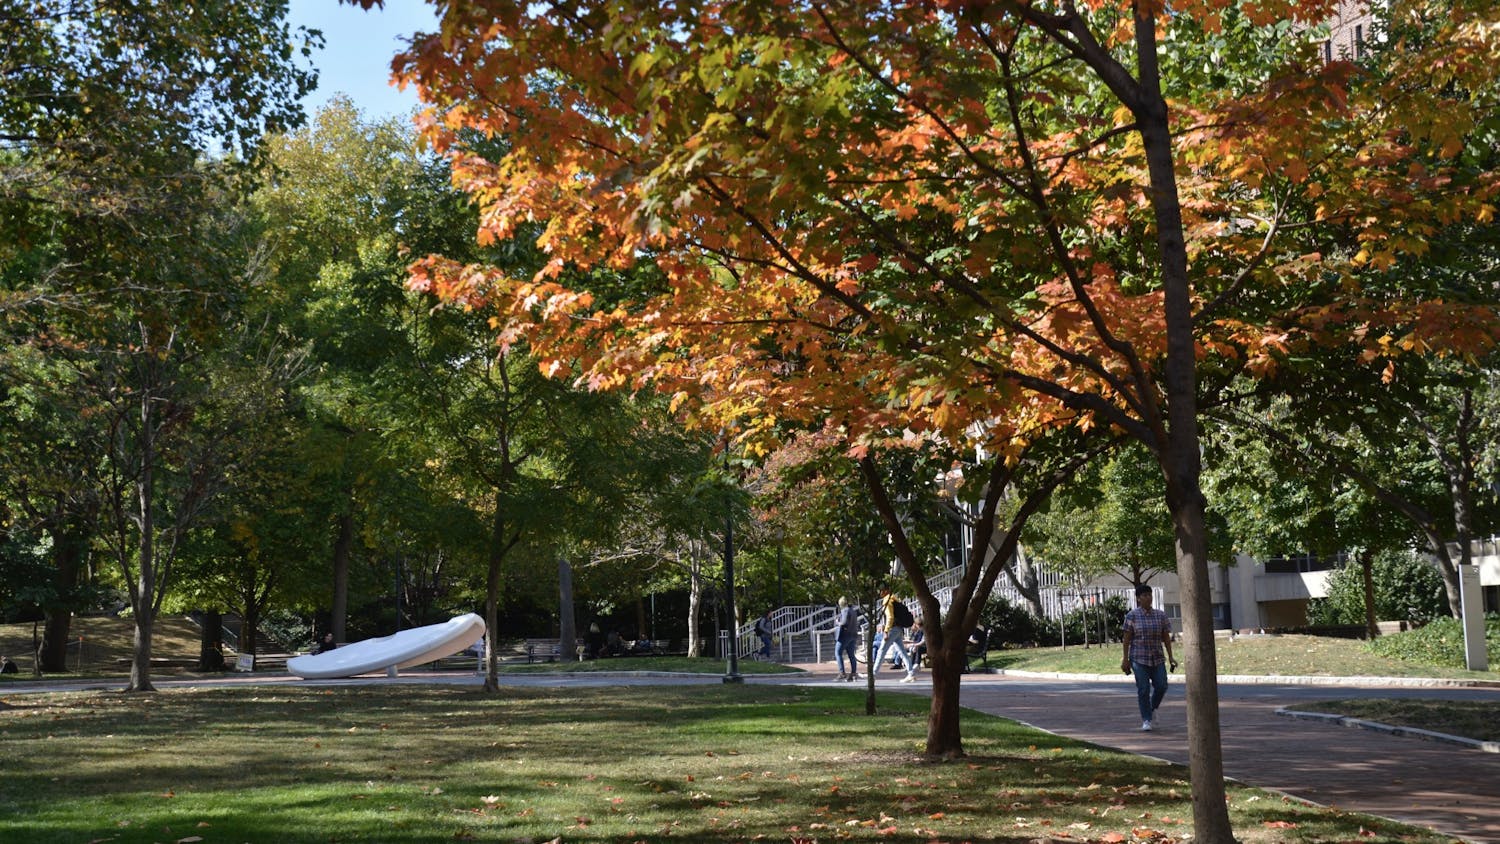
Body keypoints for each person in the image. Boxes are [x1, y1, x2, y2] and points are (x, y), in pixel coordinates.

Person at [1121, 583, 1178, 732]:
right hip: (1138, 658)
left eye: (1150, 594)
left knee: (1161, 685)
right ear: (1139, 598)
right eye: (1145, 595)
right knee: (1143, 689)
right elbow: (1126, 639)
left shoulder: (1160, 615)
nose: (1148, 598)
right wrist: (1125, 659)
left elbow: (1166, 638)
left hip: (1157, 658)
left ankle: (1152, 708)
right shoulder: (1132, 616)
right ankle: (1146, 719)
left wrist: (1171, 657)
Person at [872, 588, 918, 683]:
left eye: (880, 590)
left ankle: (873, 674)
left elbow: (890, 617)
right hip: (898, 629)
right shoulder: (894, 599)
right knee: (902, 652)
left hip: (892, 629)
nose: (879, 592)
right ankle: (911, 674)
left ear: (885, 591)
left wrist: (886, 631)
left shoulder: (887, 601)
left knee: (881, 651)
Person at [833, 597, 861, 681]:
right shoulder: (853, 611)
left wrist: (838, 622)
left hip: (845, 635)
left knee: (838, 653)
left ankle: (842, 673)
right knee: (851, 655)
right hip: (853, 634)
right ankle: (853, 673)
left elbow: (844, 623)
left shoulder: (845, 610)